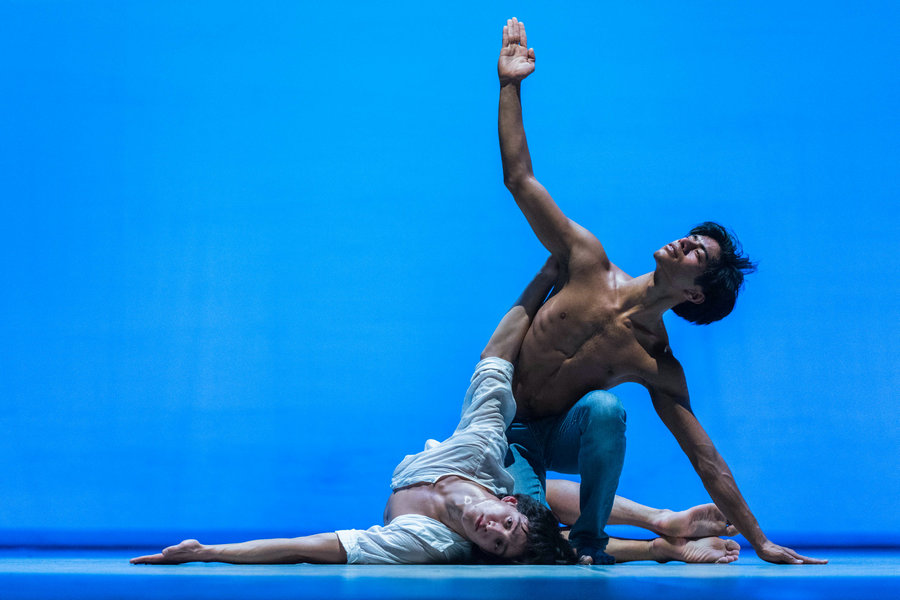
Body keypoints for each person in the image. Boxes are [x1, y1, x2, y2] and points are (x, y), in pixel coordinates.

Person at [130, 260, 739, 566]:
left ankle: (663, 526)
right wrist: (544, 281)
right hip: (505, 467)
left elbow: (313, 546)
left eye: (497, 538)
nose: (493, 531)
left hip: (490, 477)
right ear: (503, 502)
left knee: (558, 505)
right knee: (544, 537)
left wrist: (213, 552)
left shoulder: (421, 539)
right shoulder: (476, 452)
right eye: (504, 527)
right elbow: (496, 357)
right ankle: (664, 535)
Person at [495, 17, 827, 565]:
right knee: (525, 543)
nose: (684, 242)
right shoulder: (586, 260)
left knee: (606, 410)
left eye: (697, 252)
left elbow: (706, 458)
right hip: (498, 423)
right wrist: (510, 85)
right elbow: (520, 180)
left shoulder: (656, 361)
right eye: (692, 236)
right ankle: (657, 540)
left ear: (696, 294)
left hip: (555, 433)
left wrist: (760, 540)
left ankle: (591, 542)